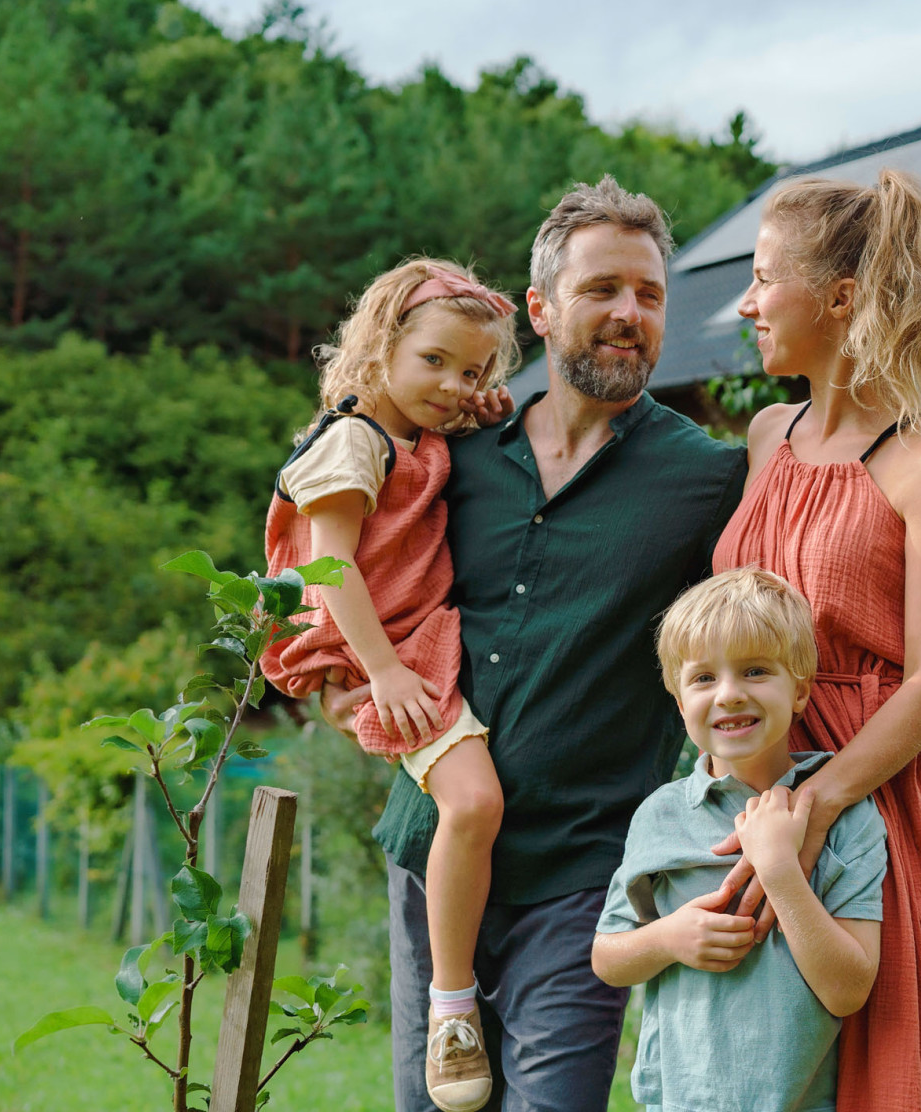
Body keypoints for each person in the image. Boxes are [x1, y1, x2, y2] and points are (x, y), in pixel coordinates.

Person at [320, 175, 921, 1111]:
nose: (628, 313)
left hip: (586, 865)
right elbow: (335, 559)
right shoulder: (445, 454)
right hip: (433, 847)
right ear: (540, 310)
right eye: (601, 290)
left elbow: (790, 596)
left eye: (650, 294)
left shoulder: (708, 478)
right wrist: (332, 682)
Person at [711, 168, 921, 1110]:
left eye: (764, 278)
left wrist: (815, 808)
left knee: (900, 1071)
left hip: (877, 806)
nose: (746, 303)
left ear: (840, 298)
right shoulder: (766, 435)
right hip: (757, 789)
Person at [262, 258, 517, 1112]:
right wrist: (381, 671)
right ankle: (452, 1008)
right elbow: (330, 565)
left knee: (470, 804)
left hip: (411, 639)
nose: (453, 386)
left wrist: (480, 410)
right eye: (434, 361)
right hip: (383, 648)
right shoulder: (353, 440)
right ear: (379, 346)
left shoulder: (415, 433)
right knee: (473, 803)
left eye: (472, 372)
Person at [592, 566, 887, 1112]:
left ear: (800, 691)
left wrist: (779, 870)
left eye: (755, 671)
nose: (729, 695)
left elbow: (848, 991)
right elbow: (607, 958)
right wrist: (667, 939)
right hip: (679, 1100)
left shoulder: (848, 816)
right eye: (704, 678)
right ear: (679, 702)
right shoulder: (660, 815)